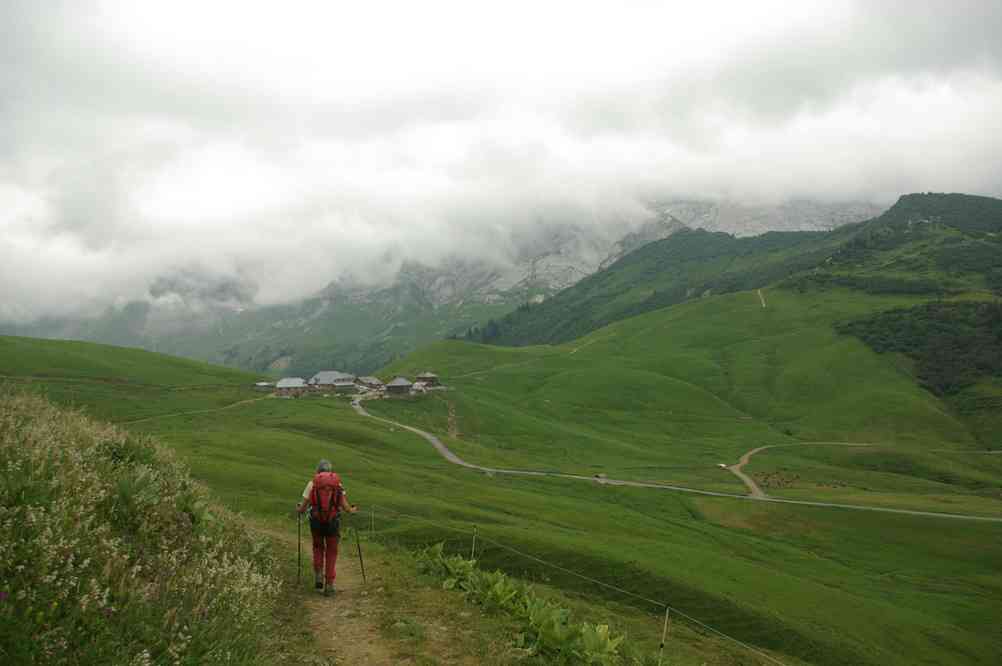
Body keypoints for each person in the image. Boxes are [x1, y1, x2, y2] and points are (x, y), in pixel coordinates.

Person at [296, 459, 357, 596]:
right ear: (330, 471)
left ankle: (318, 574)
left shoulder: (312, 484)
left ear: (318, 470)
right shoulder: (337, 485)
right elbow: (345, 506)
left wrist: (299, 509)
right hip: (333, 523)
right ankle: (329, 584)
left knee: (318, 547)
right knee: (332, 552)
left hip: (316, 522)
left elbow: (303, 506)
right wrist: (352, 510)